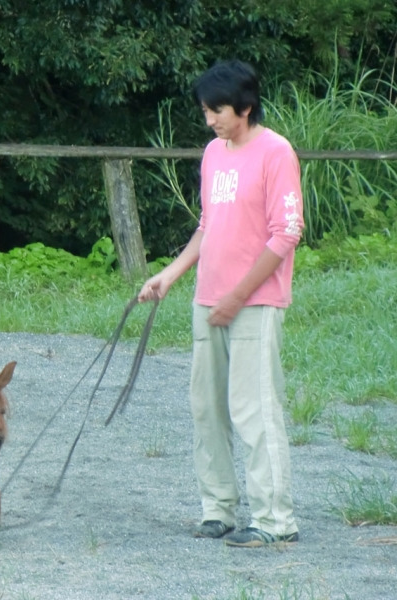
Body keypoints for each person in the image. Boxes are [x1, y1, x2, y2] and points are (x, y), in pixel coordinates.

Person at [138, 59, 303, 547]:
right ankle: (219, 509)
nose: (210, 120)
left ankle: (275, 520)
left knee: (253, 410)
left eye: (218, 111)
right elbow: (208, 226)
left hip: (253, 303)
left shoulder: (276, 153)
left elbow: (286, 233)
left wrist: (236, 297)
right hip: (208, 300)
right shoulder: (214, 153)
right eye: (207, 111)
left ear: (246, 107)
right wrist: (169, 275)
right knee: (206, 408)